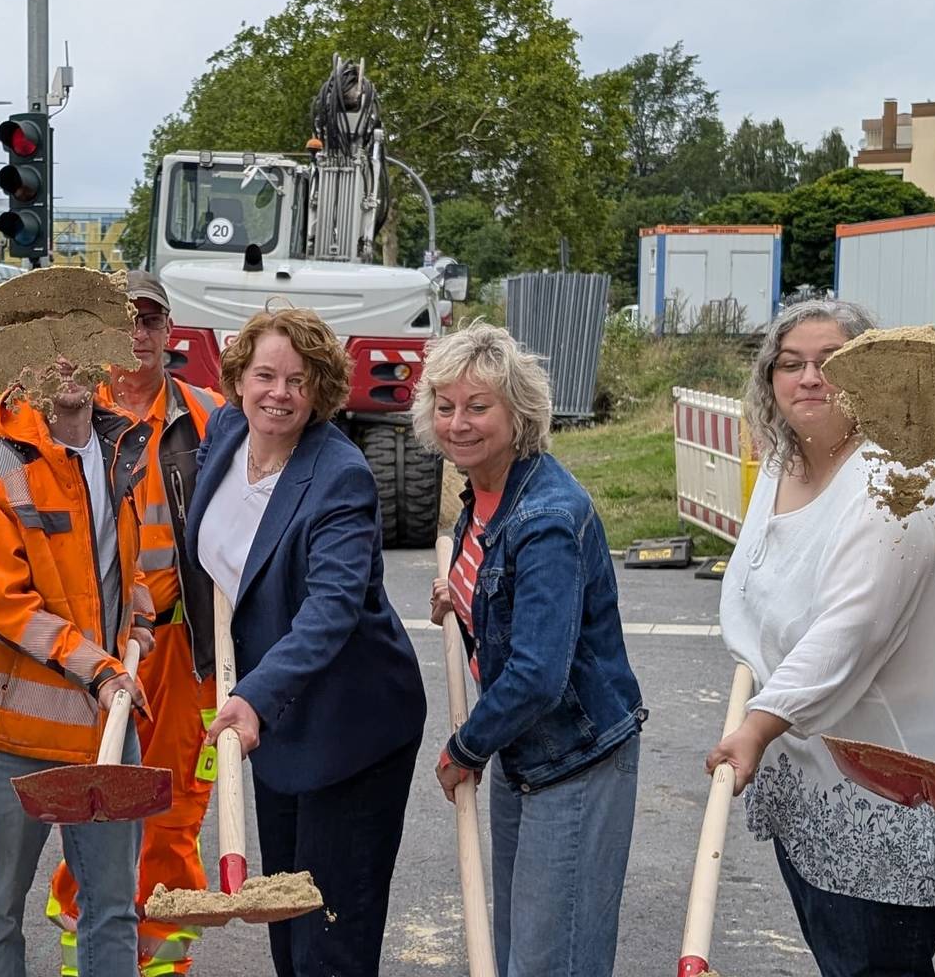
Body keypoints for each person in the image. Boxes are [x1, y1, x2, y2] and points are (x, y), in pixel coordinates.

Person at [705, 300, 935, 976]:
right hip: (812, 756)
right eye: (791, 363)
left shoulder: (900, 478)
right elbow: (759, 582)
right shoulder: (783, 463)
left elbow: (853, 628)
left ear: (877, 376)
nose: (809, 378)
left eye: (831, 362)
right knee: (845, 958)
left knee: (873, 964)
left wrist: (756, 726)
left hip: (906, 771)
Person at [175, 307, 426, 977]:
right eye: (265, 375)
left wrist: (255, 697)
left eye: (297, 380)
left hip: (351, 725)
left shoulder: (339, 476)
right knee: (285, 920)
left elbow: (331, 608)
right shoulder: (228, 431)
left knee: (331, 932)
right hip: (280, 719)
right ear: (239, 377)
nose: (278, 394)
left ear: (320, 391)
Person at [420, 322, 646, 975]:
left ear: (519, 413)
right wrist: (459, 597)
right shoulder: (487, 489)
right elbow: (504, 598)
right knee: (520, 947)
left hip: (572, 757)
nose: (458, 423)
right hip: (527, 752)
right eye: (445, 406)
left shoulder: (543, 518)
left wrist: (464, 748)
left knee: (551, 962)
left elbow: (538, 673)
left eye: (478, 406)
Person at [47, 270, 224, 977]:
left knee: (174, 812)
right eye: (124, 321)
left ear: (170, 329)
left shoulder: (210, 417)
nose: (139, 334)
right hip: (96, 645)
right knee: (94, 808)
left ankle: (162, 965)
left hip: (181, 647)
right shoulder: (66, 414)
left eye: (150, 320)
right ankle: (88, 955)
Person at [0, 353, 148, 977]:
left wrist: (138, 611)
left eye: (78, 338)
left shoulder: (120, 446)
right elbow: (7, 606)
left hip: (106, 730)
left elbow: (114, 563)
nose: (62, 359)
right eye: (47, 342)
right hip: (18, 735)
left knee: (113, 912)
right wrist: (100, 667)